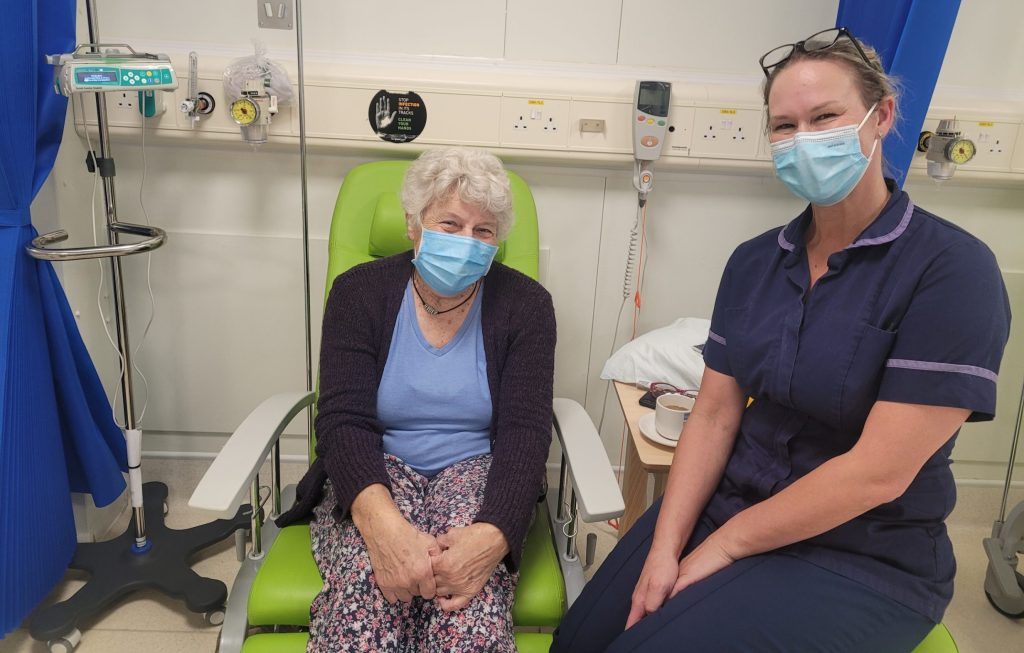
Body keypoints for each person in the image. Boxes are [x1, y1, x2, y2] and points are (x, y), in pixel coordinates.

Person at [552, 28, 1011, 652]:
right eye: (784, 126)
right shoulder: (755, 262)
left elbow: (876, 475)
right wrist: (663, 548)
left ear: (882, 117)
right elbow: (712, 417)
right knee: (577, 642)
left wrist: (720, 548)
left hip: (861, 554)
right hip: (732, 505)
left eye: (826, 117)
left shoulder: (952, 270)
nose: (804, 140)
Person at [275, 147, 556, 652]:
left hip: (480, 473)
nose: (466, 242)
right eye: (449, 224)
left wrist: (492, 535)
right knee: (368, 607)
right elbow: (342, 421)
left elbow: (525, 433)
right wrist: (384, 529)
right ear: (413, 224)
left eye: (483, 232)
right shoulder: (358, 292)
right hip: (374, 472)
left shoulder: (527, 306)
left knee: (466, 612)